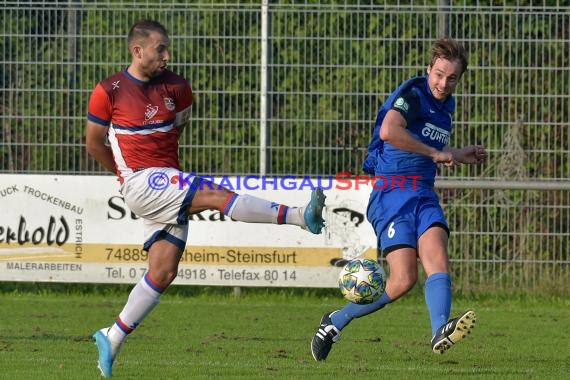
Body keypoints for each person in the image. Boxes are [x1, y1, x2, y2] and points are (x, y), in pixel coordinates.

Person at [85, 20, 325, 377]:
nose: (167, 55)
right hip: (140, 182)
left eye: (167, 48)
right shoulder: (109, 90)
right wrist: (127, 176)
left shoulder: (178, 88)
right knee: (215, 194)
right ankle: (298, 216)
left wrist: (165, 174)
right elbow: (93, 144)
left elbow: (176, 130)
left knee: (163, 271)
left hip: (166, 179)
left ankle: (113, 335)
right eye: (160, 48)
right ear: (137, 51)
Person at [310, 37, 487, 361]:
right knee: (403, 280)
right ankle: (335, 321)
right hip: (391, 193)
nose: (443, 83)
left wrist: (457, 154)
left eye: (451, 78)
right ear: (428, 69)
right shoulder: (414, 94)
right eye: (438, 74)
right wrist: (437, 152)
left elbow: (430, 145)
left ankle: (439, 331)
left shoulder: (447, 105)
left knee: (438, 259)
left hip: (422, 193)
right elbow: (390, 131)